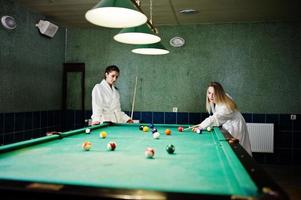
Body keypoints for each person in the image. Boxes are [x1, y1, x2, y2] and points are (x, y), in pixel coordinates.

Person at [193, 82, 252, 156]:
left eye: (214, 94)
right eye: (209, 93)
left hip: (236, 127)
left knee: (237, 153)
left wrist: (201, 126)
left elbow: (214, 118)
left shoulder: (226, 107)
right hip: (230, 124)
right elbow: (216, 116)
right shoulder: (221, 97)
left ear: (219, 94)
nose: (211, 96)